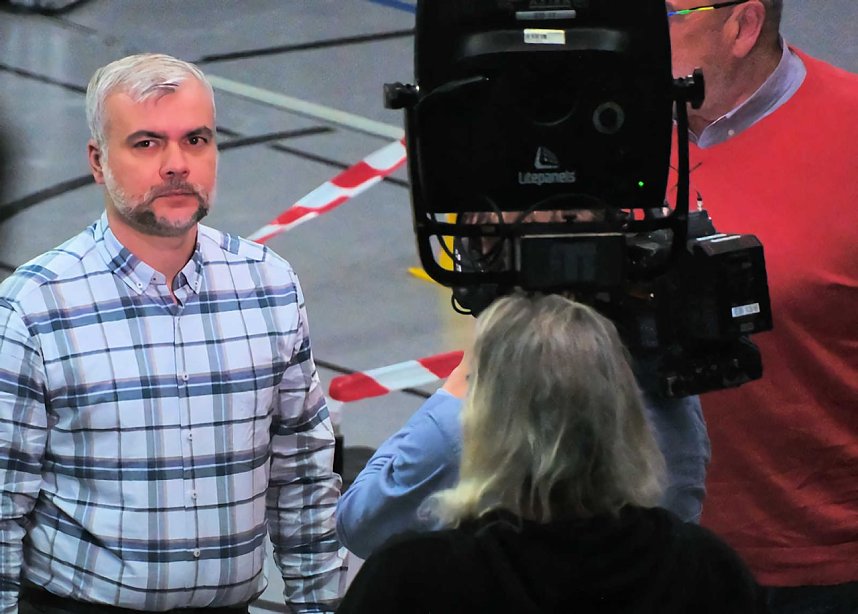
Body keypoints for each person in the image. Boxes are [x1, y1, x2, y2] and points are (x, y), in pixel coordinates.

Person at [0, 54, 346, 614]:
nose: (176, 165)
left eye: (196, 140)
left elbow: (304, 477)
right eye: (146, 143)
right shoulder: (35, 307)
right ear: (97, 160)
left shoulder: (270, 284)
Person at [337, 293, 763, 613]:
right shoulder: (706, 571)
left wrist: (451, 395)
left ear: (484, 424)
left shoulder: (413, 577)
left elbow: (361, 521)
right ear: (626, 417)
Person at [666, 0, 858, 610]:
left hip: (823, 573)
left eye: (664, 11)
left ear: (742, 26)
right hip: (647, 558)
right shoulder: (594, 131)